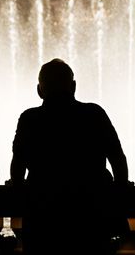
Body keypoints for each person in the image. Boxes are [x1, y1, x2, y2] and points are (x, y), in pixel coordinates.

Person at [9, 58, 129, 255]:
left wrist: (18, 185)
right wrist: (120, 188)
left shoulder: (30, 119)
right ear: (73, 86)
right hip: (90, 216)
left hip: (44, 215)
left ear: (39, 90)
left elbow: (18, 163)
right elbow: (117, 157)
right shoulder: (94, 114)